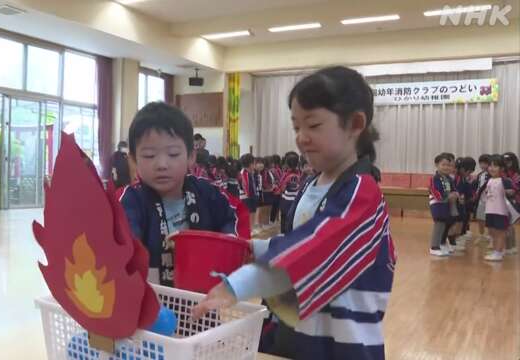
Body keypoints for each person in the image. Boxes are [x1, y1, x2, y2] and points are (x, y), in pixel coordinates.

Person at [192, 66, 395, 360]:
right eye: (296, 127)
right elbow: (297, 239)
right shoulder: (311, 183)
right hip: (297, 329)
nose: (301, 137)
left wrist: (237, 285)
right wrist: (255, 248)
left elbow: (319, 247)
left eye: (313, 125)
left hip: (339, 342)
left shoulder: (362, 192)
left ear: (355, 124)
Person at [119, 102, 239, 286]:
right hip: (153, 300)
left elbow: (229, 219)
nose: (162, 164)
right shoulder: (132, 200)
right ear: (134, 160)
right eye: (150, 156)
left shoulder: (206, 192)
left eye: (173, 154)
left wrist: (227, 242)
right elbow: (127, 240)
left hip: (201, 297)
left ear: (191, 157)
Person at [483, 155, 515, 261]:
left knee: (500, 232)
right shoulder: (489, 180)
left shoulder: (505, 181)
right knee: (492, 232)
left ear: (502, 168)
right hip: (490, 210)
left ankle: (498, 253)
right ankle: (497, 250)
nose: (492, 168)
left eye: (495, 166)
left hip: (501, 211)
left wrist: (509, 192)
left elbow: (512, 192)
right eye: (490, 166)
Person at [429, 153, 459, 256]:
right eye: (443, 164)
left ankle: (442, 243)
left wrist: (456, 193)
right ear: (437, 165)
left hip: (448, 204)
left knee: (447, 223)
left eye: (449, 165)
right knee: (439, 223)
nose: (446, 167)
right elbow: (434, 190)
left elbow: (454, 188)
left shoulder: (449, 179)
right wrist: (445, 197)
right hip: (437, 204)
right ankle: (434, 246)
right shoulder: (435, 178)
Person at [474, 154, 492, 242]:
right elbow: (477, 186)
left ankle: (490, 236)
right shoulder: (480, 174)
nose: (482, 165)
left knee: (490, 218)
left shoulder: (492, 174)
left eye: (485, 163)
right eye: (481, 163)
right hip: (481, 200)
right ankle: (481, 235)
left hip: (490, 200)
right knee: (480, 218)